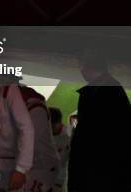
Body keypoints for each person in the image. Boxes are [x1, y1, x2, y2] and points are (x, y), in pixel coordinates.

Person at [67, 56, 131, 191]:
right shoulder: (107, 89)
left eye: (81, 66)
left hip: (97, 170)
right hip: (100, 169)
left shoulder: (105, 91)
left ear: (87, 67)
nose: (81, 71)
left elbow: (95, 133)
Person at [20, 86, 59, 192]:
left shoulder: (36, 108)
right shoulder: (29, 105)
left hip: (42, 167)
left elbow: (26, 140)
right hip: (36, 165)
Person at [49, 107, 70, 192]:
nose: (49, 127)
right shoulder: (42, 131)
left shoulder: (69, 136)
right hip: (42, 175)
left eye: (51, 125)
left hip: (59, 180)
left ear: (58, 123)